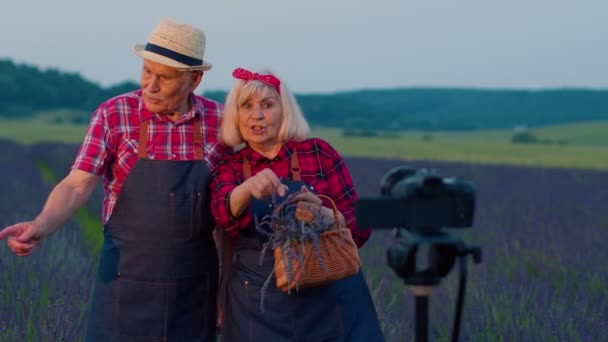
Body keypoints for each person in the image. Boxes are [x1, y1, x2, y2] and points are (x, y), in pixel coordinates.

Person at [0, 18, 225, 341]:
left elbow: (225, 217)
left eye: (164, 77)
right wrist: (41, 225)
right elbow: (77, 184)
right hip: (124, 283)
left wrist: (224, 290)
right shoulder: (115, 113)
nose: (151, 85)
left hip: (192, 290)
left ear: (195, 79)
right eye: (147, 71)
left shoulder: (220, 122)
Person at [210, 67, 385, 341]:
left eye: (267, 105)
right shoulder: (229, 166)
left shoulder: (318, 153)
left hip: (329, 298)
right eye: (247, 106)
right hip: (258, 305)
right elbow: (222, 215)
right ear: (236, 114)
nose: (256, 115)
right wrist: (245, 190)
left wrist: (326, 215)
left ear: (284, 111)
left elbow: (361, 224)